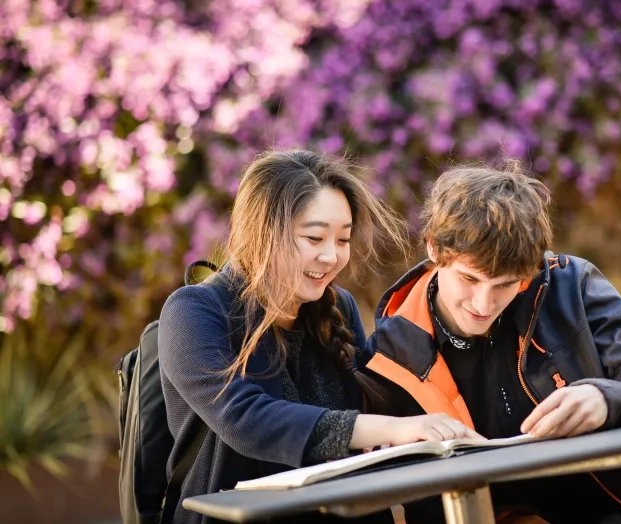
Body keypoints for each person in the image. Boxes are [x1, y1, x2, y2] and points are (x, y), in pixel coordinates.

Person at [363, 162, 621, 524]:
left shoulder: (573, 286)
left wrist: (606, 399)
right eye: (469, 279)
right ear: (432, 247)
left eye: (506, 284)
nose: (483, 305)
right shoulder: (390, 350)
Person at [157, 150, 482, 524]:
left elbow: (373, 408)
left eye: (342, 240)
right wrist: (395, 428)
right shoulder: (193, 311)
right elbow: (246, 419)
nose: (331, 256)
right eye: (314, 238)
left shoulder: (337, 306)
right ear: (263, 232)